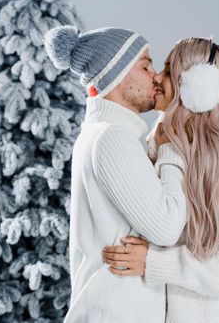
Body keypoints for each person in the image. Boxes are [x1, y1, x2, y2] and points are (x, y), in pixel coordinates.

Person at [102, 37, 219, 322]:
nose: (156, 77)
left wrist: (154, 263)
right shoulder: (169, 153)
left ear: (194, 88)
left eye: (168, 71)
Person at [44, 25, 187, 322]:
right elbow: (167, 228)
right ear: (116, 74)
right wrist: (171, 152)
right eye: (145, 64)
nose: (156, 76)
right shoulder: (111, 139)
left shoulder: (106, 136)